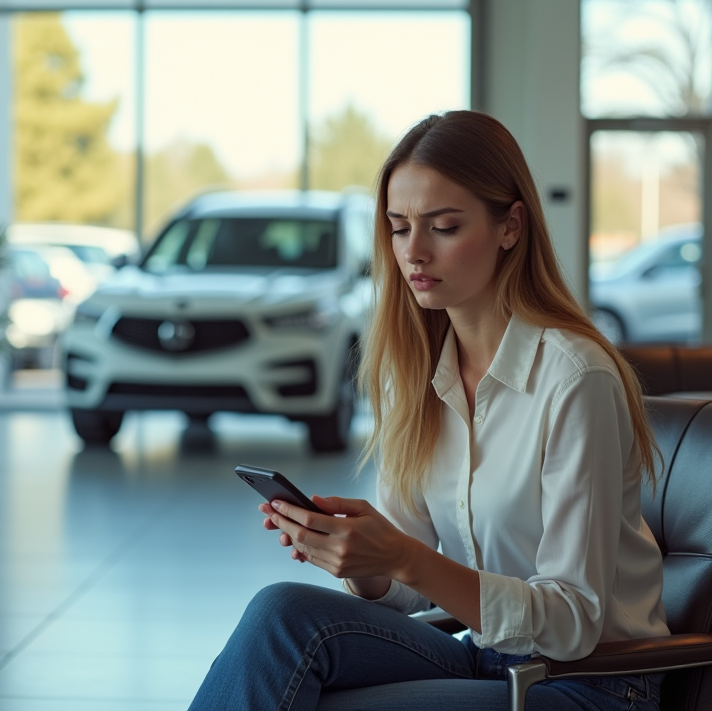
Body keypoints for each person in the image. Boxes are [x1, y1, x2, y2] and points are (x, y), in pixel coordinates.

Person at [188, 111, 669, 711]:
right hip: (493, 657)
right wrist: (357, 557)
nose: (412, 252)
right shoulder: (421, 372)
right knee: (281, 614)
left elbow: (574, 622)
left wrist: (403, 556)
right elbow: (403, 574)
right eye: (397, 227)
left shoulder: (576, 378)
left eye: (442, 226)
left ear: (510, 226)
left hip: (594, 683)